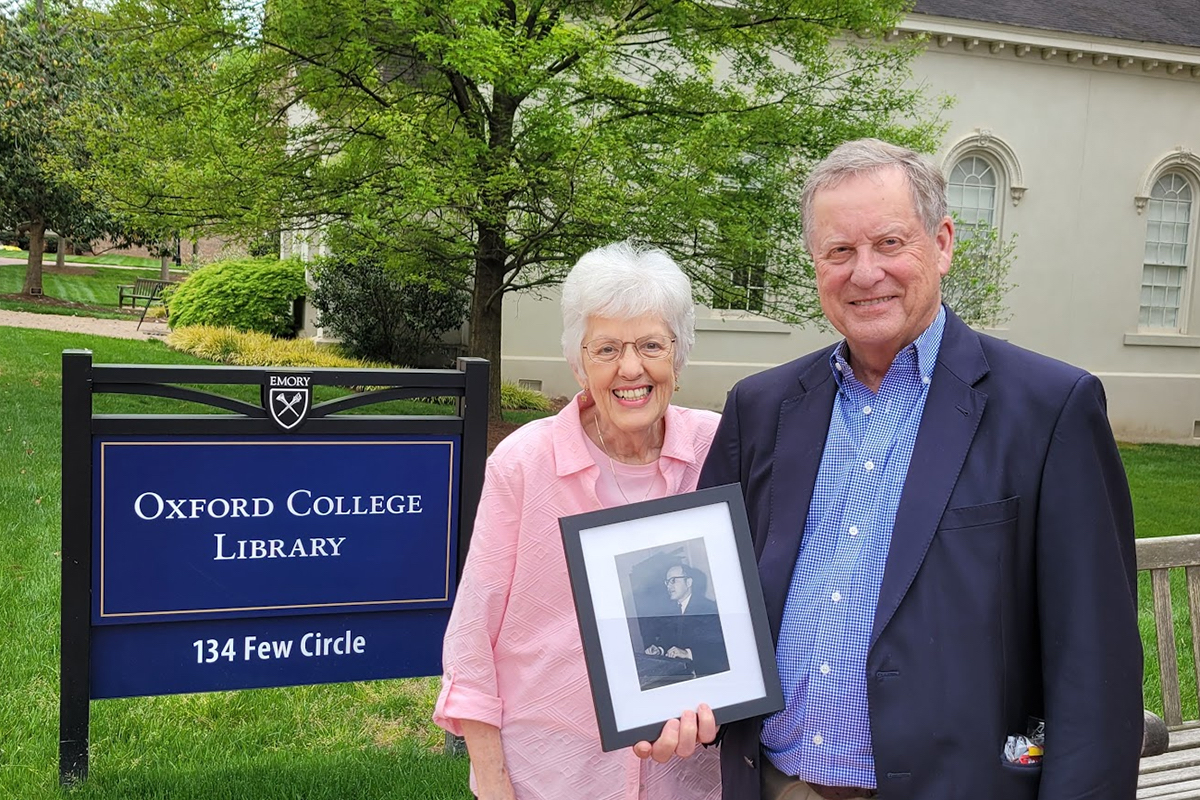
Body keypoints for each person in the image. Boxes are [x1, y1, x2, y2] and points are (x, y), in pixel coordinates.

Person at [640, 139, 1143, 800]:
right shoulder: (760, 409)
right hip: (777, 785)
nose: (864, 272)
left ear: (941, 243)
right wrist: (676, 693)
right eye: (839, 251)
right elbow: (704, 599)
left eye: (889, 243)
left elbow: (1095, 671)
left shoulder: (1049, 410)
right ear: (815, 263)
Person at [434, 241, 722, 800]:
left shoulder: (721, 447)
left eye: (651, 345)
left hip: (690, 779)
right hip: (550, 774)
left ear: (679, 357)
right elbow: (472, 637)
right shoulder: (523, 463)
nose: (631, 368)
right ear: (577, 362)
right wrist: (493, 783)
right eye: (607, 348)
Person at [644, 565, 729, 679]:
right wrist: (659, 649)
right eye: (667, 582)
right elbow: (668, 639)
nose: (669, 586)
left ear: (688, 582)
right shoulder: (671, 611)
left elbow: (719, 648)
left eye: (673, 581)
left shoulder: (709, 609)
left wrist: (687, 653)